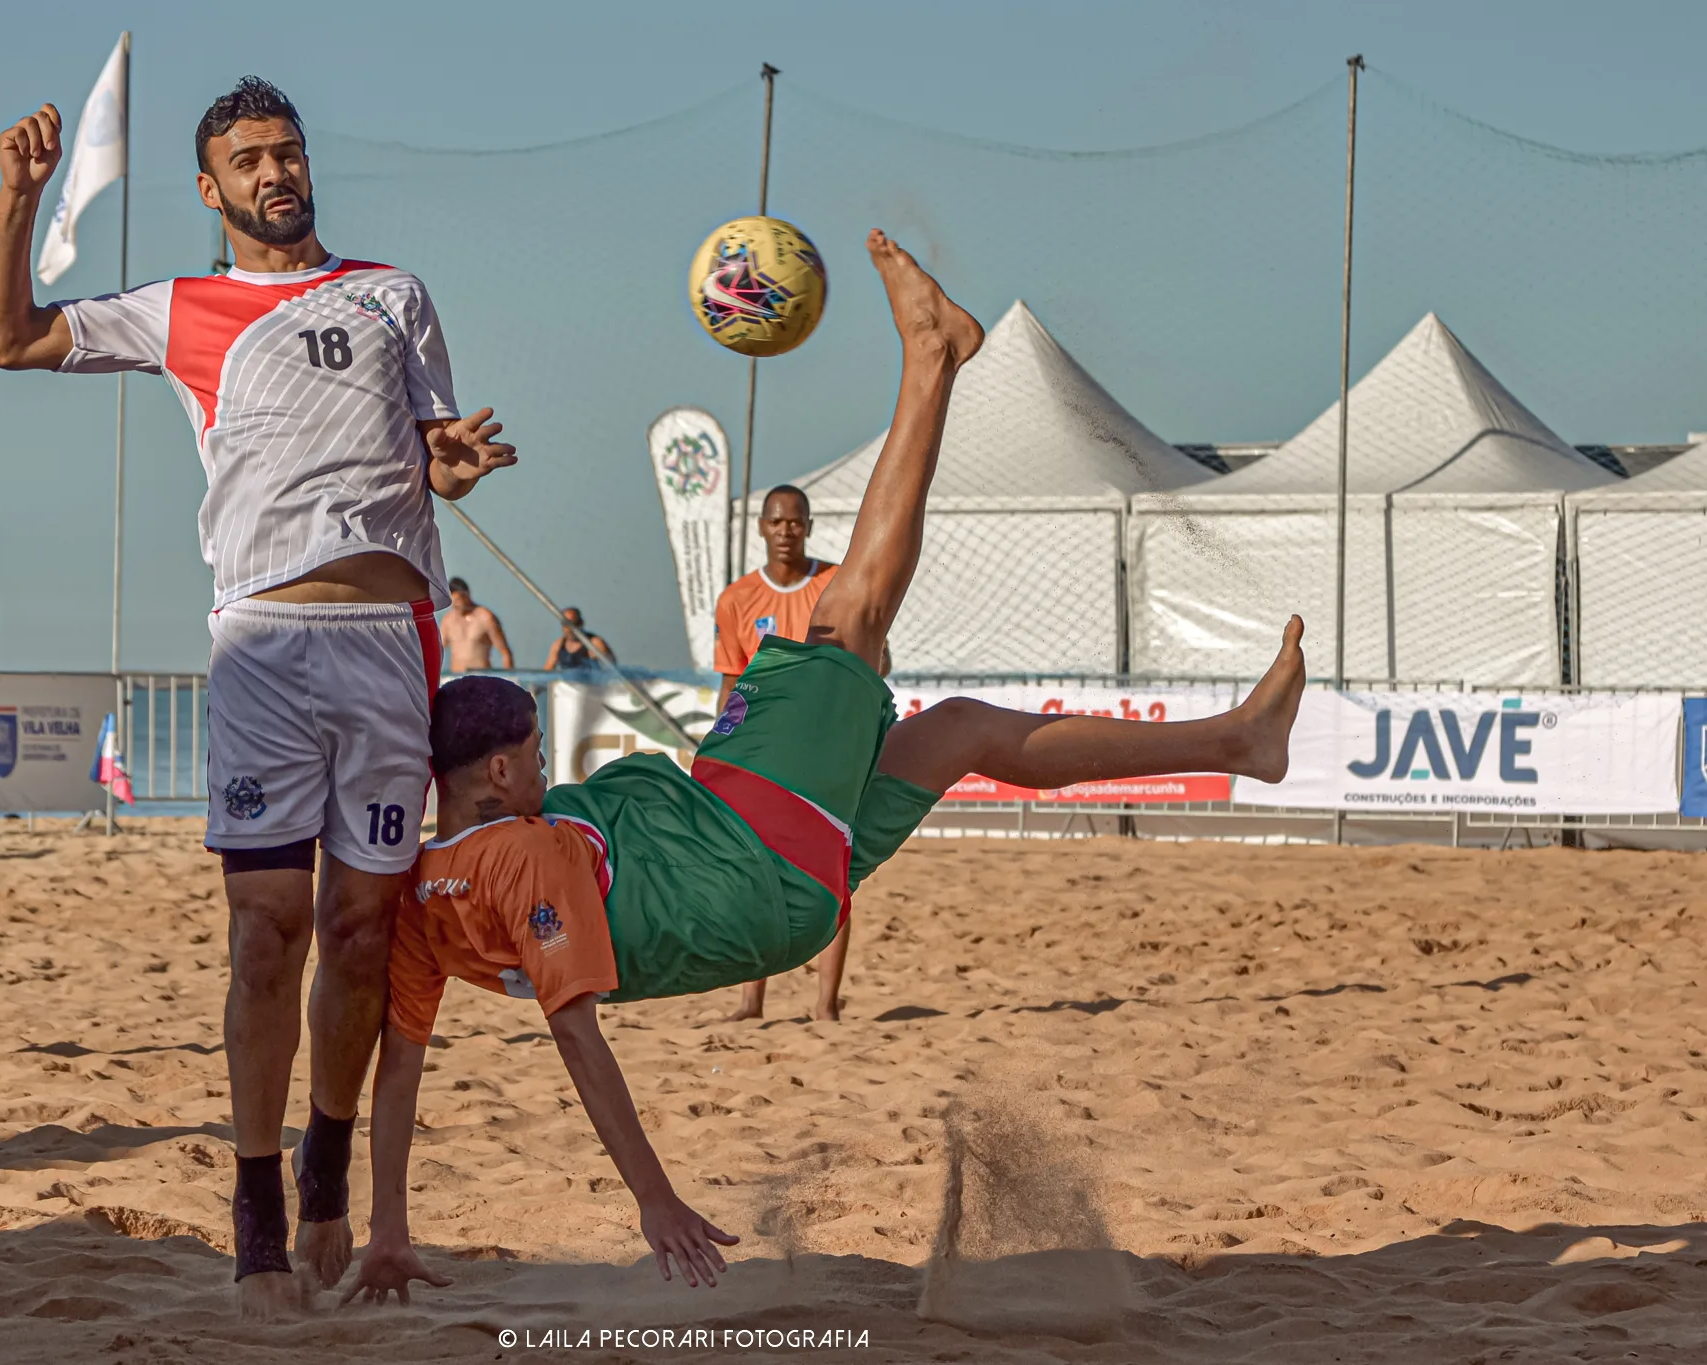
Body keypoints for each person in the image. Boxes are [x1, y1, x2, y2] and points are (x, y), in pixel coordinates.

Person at [347, 232, 1307, 1302]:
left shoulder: (421, 899)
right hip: (750, 854)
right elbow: (575, 1036)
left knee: (957, 732)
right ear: (495, 774)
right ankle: (930, 355)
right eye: (530, 758)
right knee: (848, 619)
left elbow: (399, 1070)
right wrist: (652, 1199)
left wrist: (384, 1224)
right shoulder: (519, 857)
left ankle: (1234, 743)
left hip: (778, 882)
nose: (538, 771)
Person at [0, 78, 517, 1313]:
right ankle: (260, 1211)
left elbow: (434, 450)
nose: (276, 172)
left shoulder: (394, 293)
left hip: (389, 640)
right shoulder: (180, 308)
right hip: (264, 649)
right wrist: (17, 197)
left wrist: (456, 467)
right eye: (249, 161)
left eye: (288, 151)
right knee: (268, 931)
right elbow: (2, 339)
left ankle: (331, 1161)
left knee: (359, 934)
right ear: (210, 191)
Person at [713, 485, 848, 1023]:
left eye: (795, 522)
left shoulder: (836, 583)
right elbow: (730, 681)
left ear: (809, 526)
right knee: (757, 873)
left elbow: (872, 655)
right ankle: (752, 1002)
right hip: (762, 753)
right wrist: (721, 748)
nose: (786, 531)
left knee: (833, 873)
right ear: (763, 528)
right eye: (776, 522)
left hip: (825, 747)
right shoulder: (737, 600)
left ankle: (826, 1006)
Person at [441, 578, 514, 673]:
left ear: (467, 595)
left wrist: (508, 682)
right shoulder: (448, 620)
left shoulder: (485, 617)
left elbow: (505, 653)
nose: (455, 605)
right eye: (452, 601)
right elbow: (437, 650)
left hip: (481, 678)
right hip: (456, 679)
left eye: (458, 600)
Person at [542, 608, 613, 672]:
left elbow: (613, 667)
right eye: (565, 624)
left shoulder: (594, 643)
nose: (569, 629)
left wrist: (598, 657)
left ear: (581, 623)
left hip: (590, 684)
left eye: (572, 624)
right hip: (568, 684)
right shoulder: (558, 645)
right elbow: (547, 670)